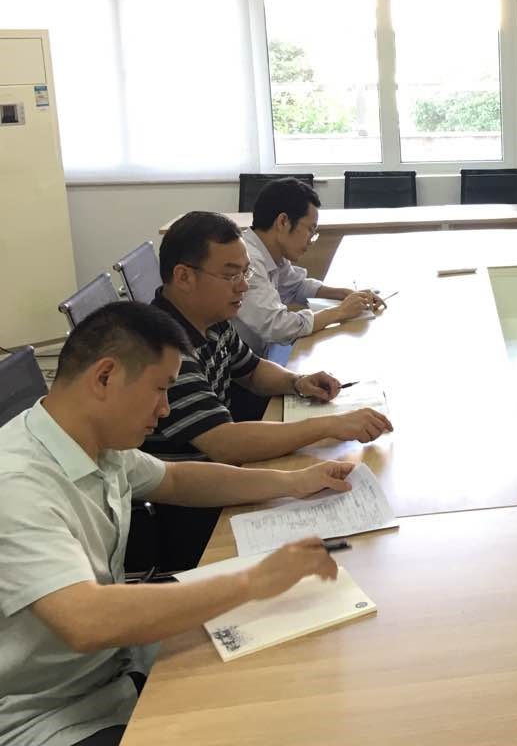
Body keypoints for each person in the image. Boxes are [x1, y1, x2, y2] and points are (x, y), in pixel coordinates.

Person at [0, 301, 357, 746]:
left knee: (291, 678)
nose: (166, 409)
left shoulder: (95, 441)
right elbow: (85, 620)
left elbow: (176, 479)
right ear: (105, 377)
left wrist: (294, 481)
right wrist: (251, 581)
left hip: (118, 664)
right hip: (48, 713)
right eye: (159, 389)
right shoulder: (17, 483)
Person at [147, 210, 393, 466]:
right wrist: (330, 425)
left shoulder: (210, 318)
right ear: (184, 277)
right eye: (231, 275)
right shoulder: (163, 350)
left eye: (246, 273)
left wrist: (298, 382)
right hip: (194, 482)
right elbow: (225, 445)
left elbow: (252, 371)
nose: (243, 286)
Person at [231, 177, 385, 356]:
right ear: (283, 222)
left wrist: (345, 293)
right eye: (310, 229)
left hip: (259, 355)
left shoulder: (272, 252)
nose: (311, 240)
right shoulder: (248, 261)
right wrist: (340, 312)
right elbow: (278, 327)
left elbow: (297, 286)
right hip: (241, 367)